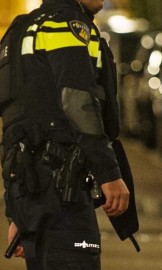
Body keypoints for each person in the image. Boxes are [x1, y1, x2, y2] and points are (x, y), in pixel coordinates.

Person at [0, 0, 130, 269]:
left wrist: (15, 212)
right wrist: (109, 174)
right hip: (62, 191)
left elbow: (13, 123)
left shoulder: (19, 31)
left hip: (30, 191)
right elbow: (78, 102)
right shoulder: (66, 24)